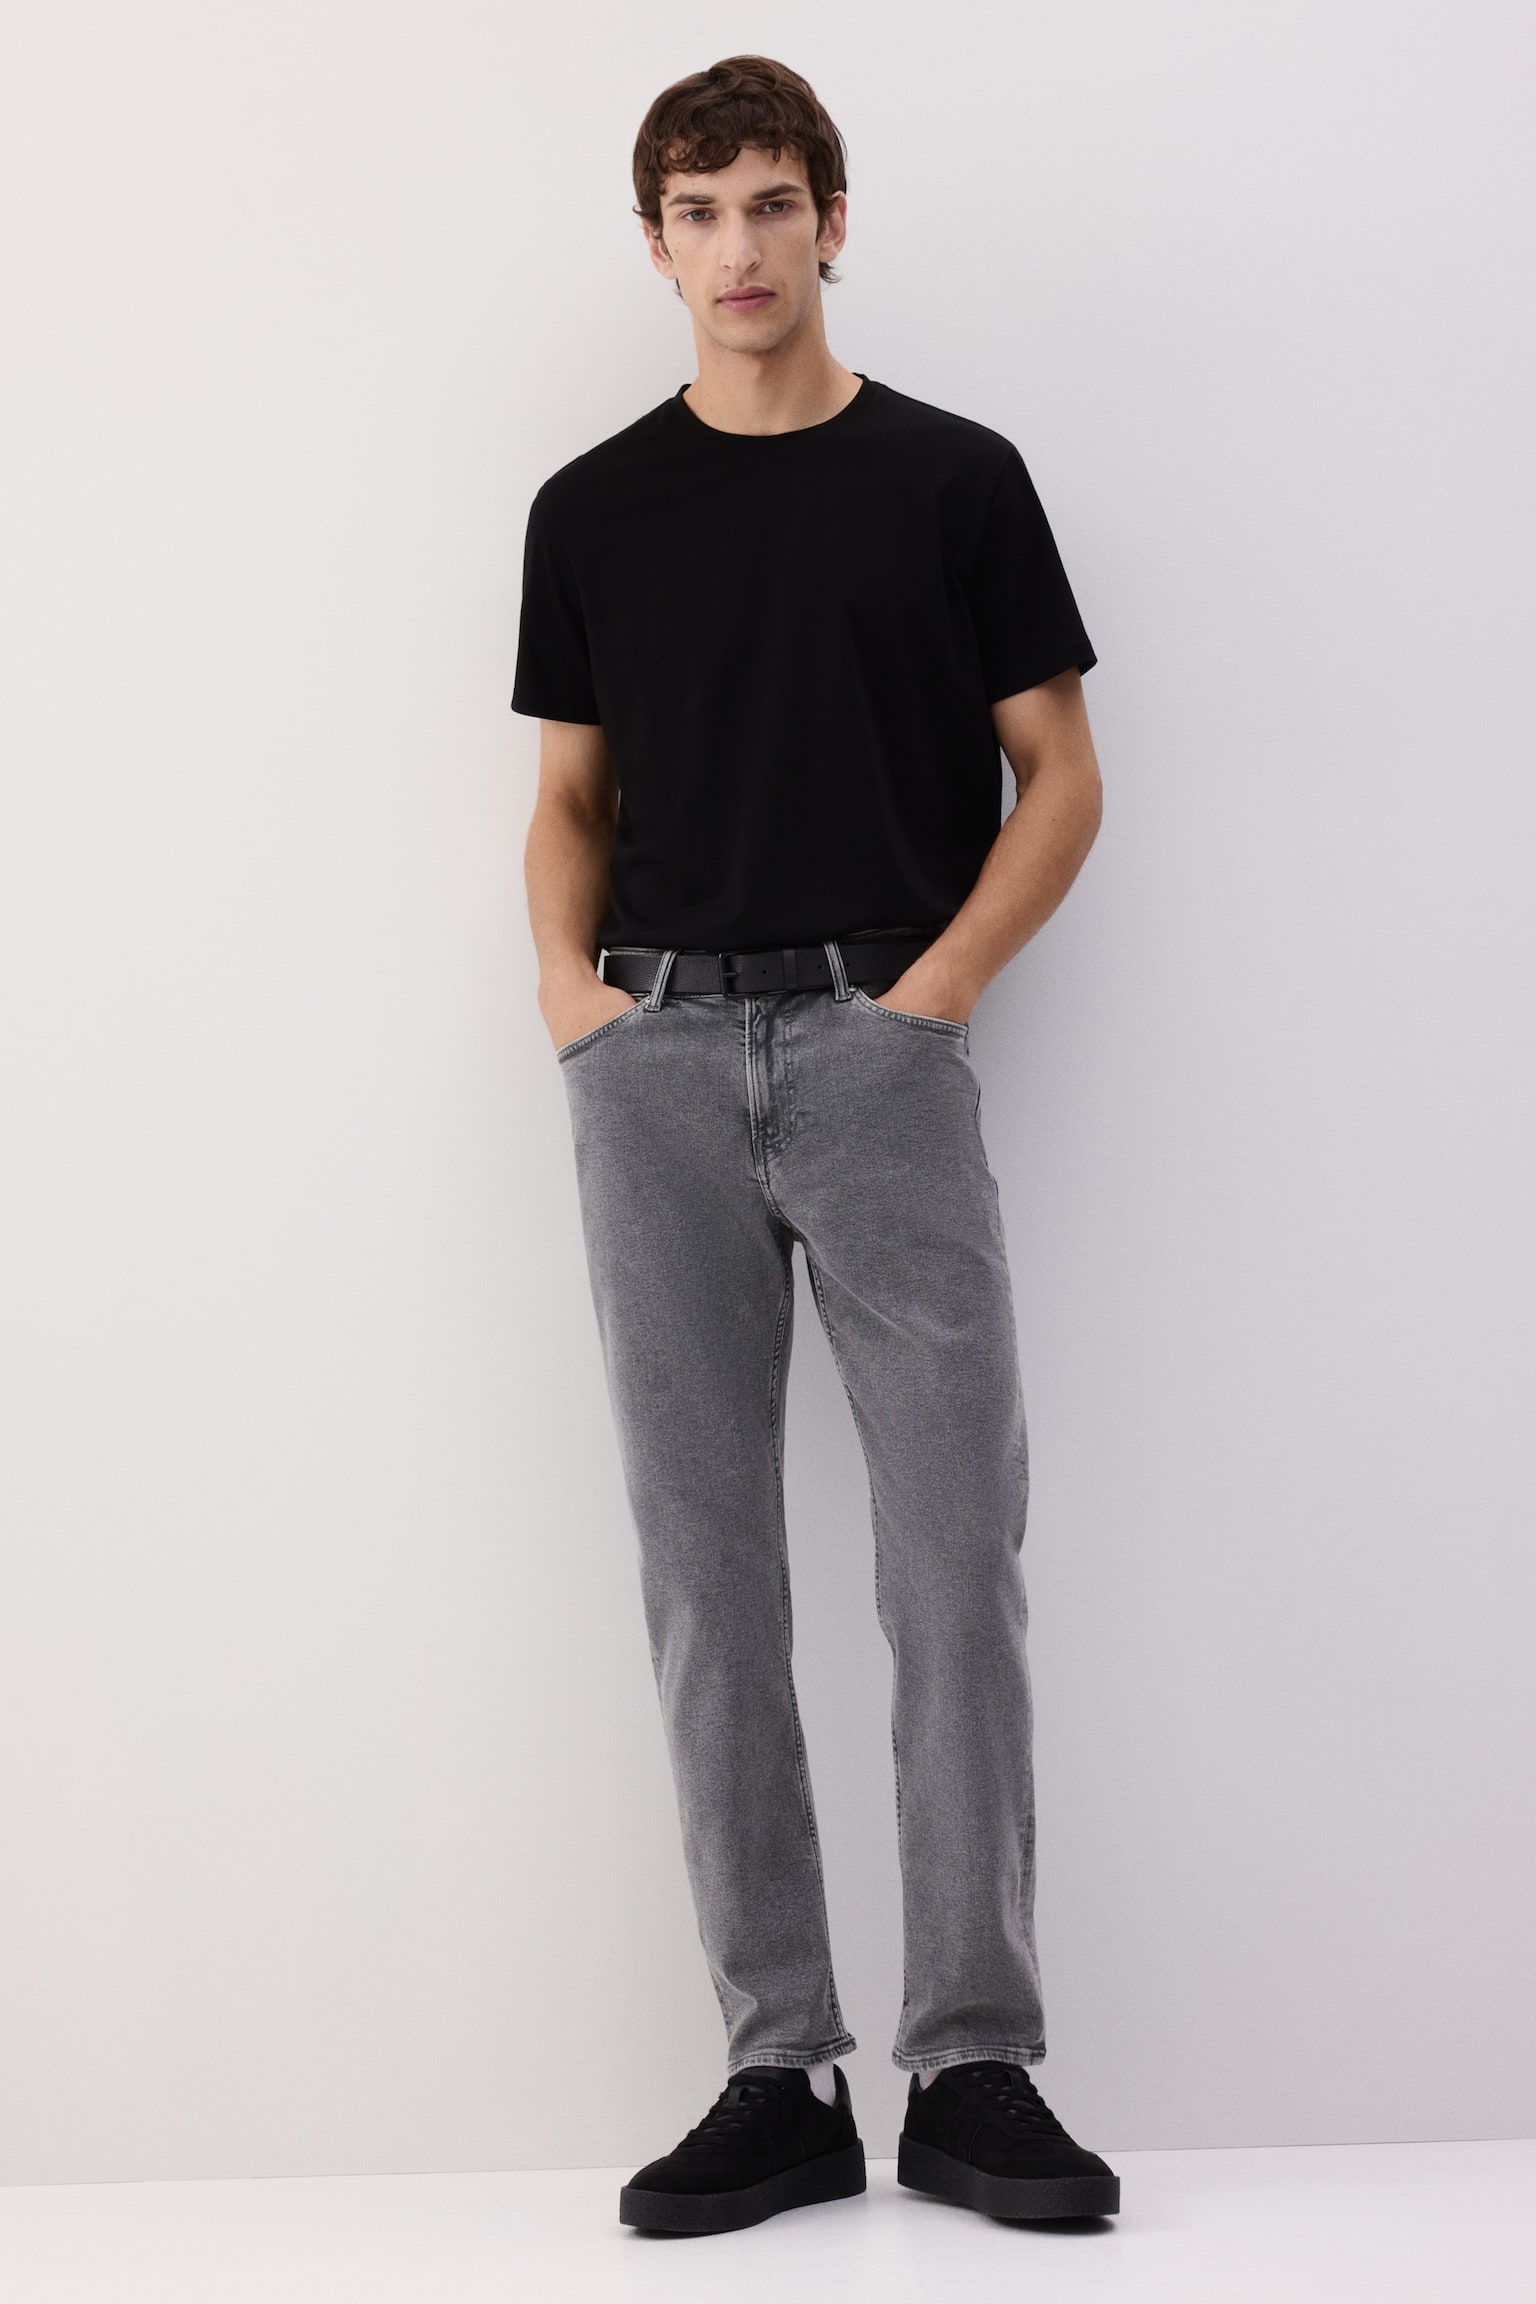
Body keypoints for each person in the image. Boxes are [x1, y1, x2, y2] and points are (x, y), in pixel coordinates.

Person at [514, 54, 1118, 2237]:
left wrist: (931, 994)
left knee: (953, 1558)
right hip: (656, 1057)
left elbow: (1060, 771)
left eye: (773, 202)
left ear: (833, 219)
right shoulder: (592, 508)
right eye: (699, 212)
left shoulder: (954, 480)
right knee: (709, 1580)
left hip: (881, 1053)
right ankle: (778, 2070)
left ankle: (974, 2068)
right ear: (655, 242)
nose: (740, 247)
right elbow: (569, 800)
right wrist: (576, 1009)